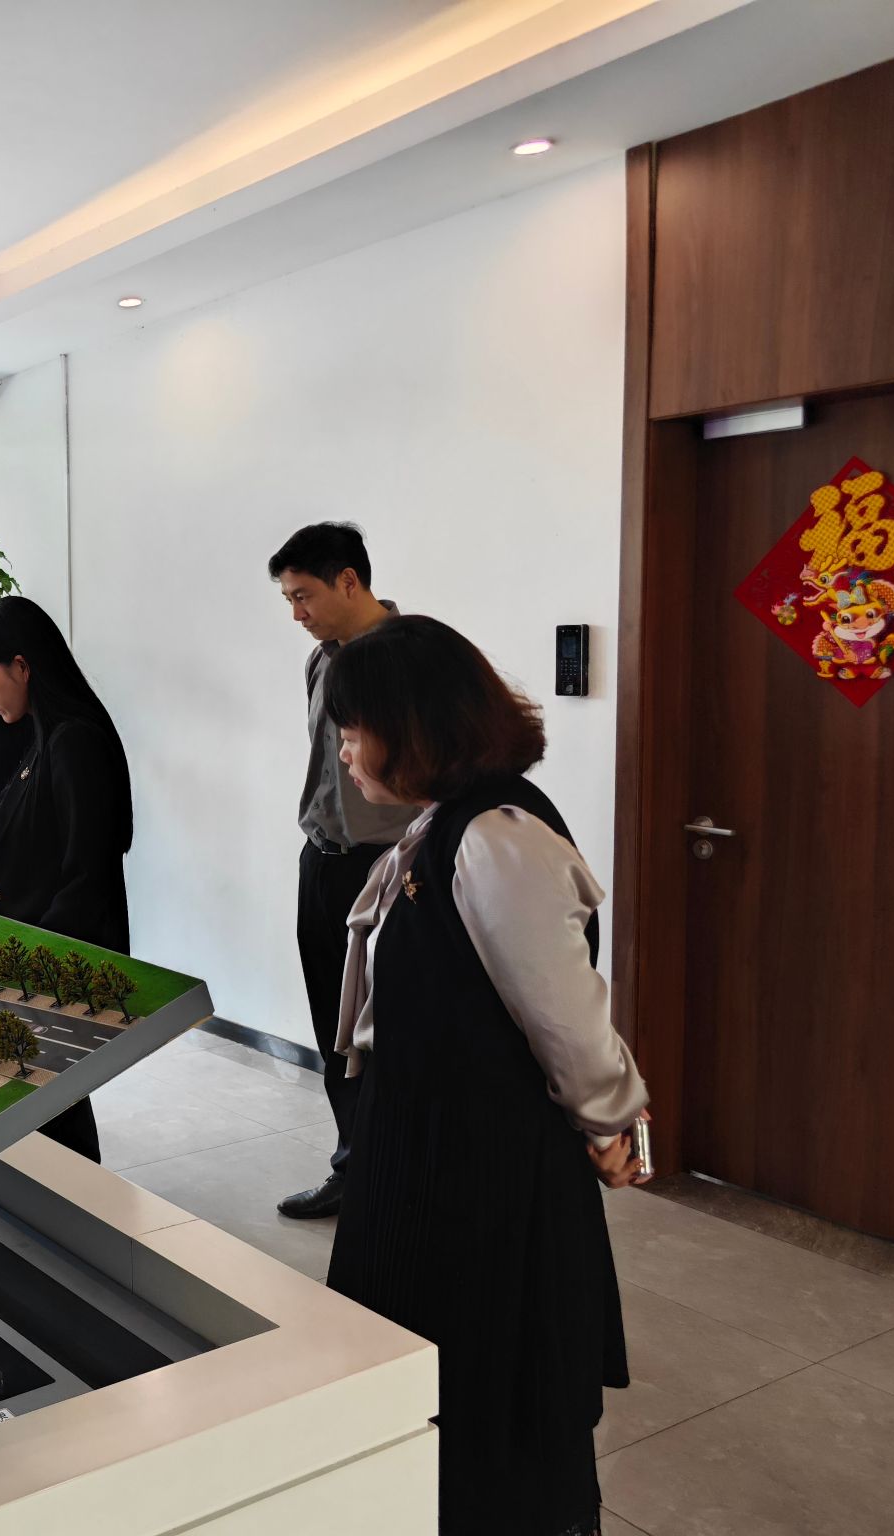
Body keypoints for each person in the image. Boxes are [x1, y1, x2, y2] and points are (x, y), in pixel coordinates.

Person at [322, 615, 648, 1536]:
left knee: (494, 1394)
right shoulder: (443, 822)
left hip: (485, 1171)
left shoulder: (497, 837)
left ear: (413, 725)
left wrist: (613, 1120)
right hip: (427, 1148)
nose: (344, 751)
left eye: (355, 729)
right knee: (429, 1383)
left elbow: (568, 1018)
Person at [268, 523, 417, 1220]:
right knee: (335, 1028)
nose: (296, 613)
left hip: (389, 868)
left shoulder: (412, 656)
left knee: (389, 1034)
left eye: (304, 596)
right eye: (289, 600)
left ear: (349, 581)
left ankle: (400, 1179)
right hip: (323, 862)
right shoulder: (321, 660)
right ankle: (353, 1167)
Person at [0, 594, 131, 1165]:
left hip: (57, 960)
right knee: (42, 1105)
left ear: (22, 666)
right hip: (34, 953)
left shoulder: (74, 741)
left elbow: (86, 874)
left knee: (58, 1109)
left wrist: (30, 963)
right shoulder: (37, 733)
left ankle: (81, 1205)